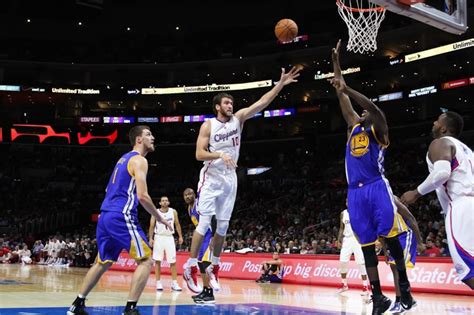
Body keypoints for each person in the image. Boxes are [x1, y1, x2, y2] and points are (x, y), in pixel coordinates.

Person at [183, 66, 300, 295]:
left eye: (231, 103)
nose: (230, 106)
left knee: (223, 227)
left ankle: (214, 267)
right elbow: (198, 154)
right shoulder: (208, 125)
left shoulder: (238, 119)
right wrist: (219, 154)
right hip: (211, 177)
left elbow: (262, 102)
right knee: (205, 223)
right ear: (217, 107)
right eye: (226, 103)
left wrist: (280, 84)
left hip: (230, 179)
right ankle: (190, 266)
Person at [329, 39, 415, 314]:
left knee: (390, 242)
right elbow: (343, 100)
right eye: (360, 111)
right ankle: (378, 297)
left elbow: (375, 110)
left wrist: (349, 88)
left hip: (377, 188)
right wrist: (338, 71)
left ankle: (406, 292)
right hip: (354, 192)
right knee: (366, 249)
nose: (362, 112)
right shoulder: (353, 129)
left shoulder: (379, 130)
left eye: (365, 110)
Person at [68, 125, 172, 315]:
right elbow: (142, 196)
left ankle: (76, 305)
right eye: (149, 134)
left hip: (105, 215)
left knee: (103, 262)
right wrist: (159, 218)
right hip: (121, 215)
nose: (153, 137)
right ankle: (130, 309)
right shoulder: (139, 160)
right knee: (147, 260)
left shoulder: (122, 159)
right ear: (138, 140)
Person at [401, 111, 474, 289]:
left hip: (461, 207)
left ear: (443, 128)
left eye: (437, 121)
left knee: (468, 269)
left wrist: (416, 193)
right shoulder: (468, 151)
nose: (433, 123)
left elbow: (442, 173)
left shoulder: (440, 143)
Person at [385, 198, 425, 314]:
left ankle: (400, 302)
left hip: (406, 234)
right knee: (394, 268)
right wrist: (384, 250)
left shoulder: (393, 198)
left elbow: (411, 218)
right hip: (394, 237)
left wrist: (420, 242)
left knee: (396, 266)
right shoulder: (377, 203)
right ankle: (408, 299)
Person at [183, 188, 215, 304]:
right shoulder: (189, 209)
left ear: (194, 195)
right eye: (185, 195)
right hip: (202, 238)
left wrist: (214, 237)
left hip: (209, 235)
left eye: (190, 194)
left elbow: (212, 218)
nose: (188, 196)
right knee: (201, 264)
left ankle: (210, 293)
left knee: (206, 264)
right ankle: (205, 290)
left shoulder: (199, 203)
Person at [148, 196, 183, 292]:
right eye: (162, 201)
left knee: (172, 261)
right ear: (160, 203)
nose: (164, 202)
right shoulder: (155, 212)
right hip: (158, 237)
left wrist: (180, 236)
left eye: (166, 200)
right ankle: (158, 282)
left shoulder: (173, 211)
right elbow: (151, 225)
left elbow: (177, 224)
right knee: (158, 261)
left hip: (169, 238)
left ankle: (174, 283)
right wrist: (150, 238)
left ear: (168, 202)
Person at [337, 206, 369, 295]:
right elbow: (341, 228)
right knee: (342, 262)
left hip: (357, 240)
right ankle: (344, 285)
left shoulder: (359, 211)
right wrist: (339, 239)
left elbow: (364, 225)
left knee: (361, 263)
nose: (348, 202)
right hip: (347, 239)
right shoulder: (343, 213)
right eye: (347, 201)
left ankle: (365, 287)